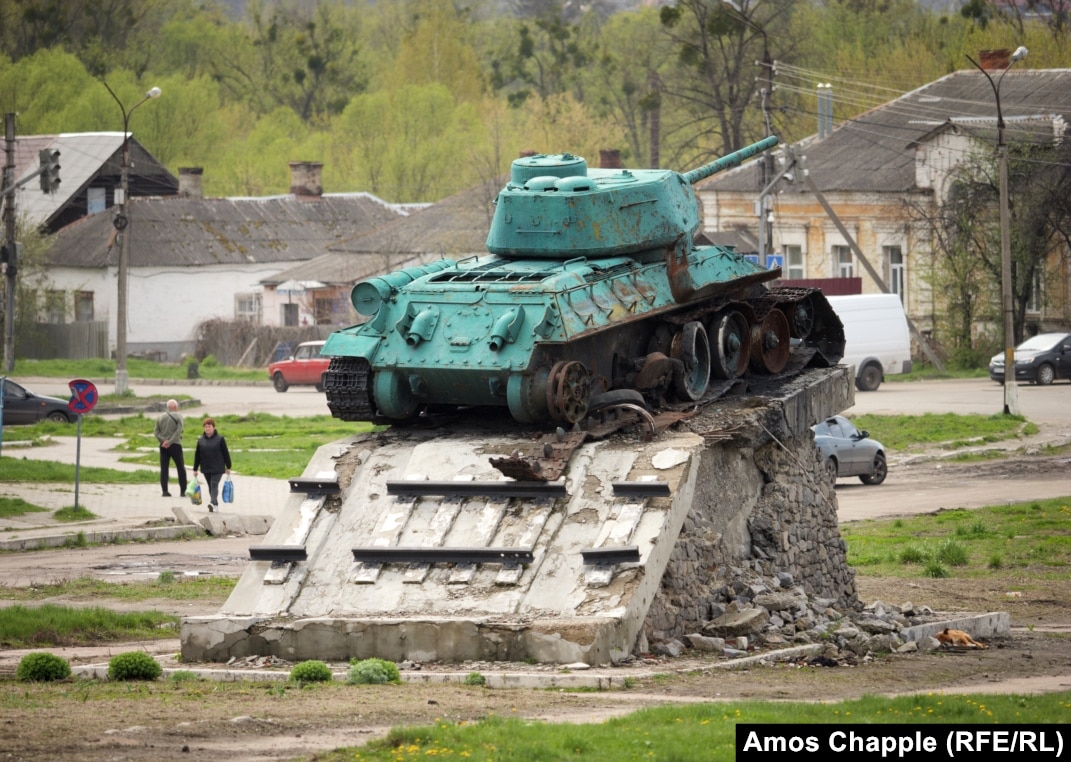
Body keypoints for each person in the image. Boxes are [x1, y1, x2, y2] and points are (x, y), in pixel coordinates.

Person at [192, 417, 232, 512]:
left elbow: (225, 453)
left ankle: (211, 502)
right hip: (206, 467)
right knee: (210, 486)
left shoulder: (220, 439)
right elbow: (197, 455)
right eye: (206, 427)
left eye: (209, 426)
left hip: (218, 467)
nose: (208, 428)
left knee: (214, 484)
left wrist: (228, 466)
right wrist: (195, 468)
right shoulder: (200, 440)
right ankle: (215, 505)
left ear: (213, 427)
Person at [153, 399, 187, 498]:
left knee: (164, 469)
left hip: (163, 446)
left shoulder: (160, 417)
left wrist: (163, 441)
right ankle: (183, 491)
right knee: (180, 468)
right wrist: (170, 441)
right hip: (175, 445)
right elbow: (178, 431)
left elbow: (156, 432)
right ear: (176, 407)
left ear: (168, 407)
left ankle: (164, 491)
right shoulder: (179, 416)